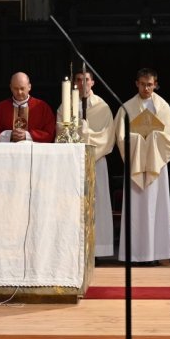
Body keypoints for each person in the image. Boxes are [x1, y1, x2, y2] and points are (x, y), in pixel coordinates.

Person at [114, 68, 170, 264]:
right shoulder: (126, 107)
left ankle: (156, 254)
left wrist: (153, 136)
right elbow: (121, 137)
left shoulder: (163, 107)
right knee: (136, 209)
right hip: (136, 164)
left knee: (156, 209)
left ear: (155, 84)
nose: (146, 88)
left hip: (156, 165)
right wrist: (139, 138)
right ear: (136, 83)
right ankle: (135, 254)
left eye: (150, 84)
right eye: (142, 84)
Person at [72, 70, 116, 258]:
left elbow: (107, 137)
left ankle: (98, 250)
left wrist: (86, 134)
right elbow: (60, 131)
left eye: (86, 80)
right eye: (79, 80)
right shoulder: (67, 105)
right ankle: (76, 250)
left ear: (93, 82)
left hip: (96, 160)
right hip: (73, 163)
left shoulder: (102, 107)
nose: (83, 83)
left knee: (98, 205)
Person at [0, 72, 55, 143]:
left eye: (22, 88)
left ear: (29, 87)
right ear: (10, 87)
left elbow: (50, 133)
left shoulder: (42, 107)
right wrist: (10, 135)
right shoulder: (0, 108)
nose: (19, 92)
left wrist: (27, 135)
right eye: (15, 88)